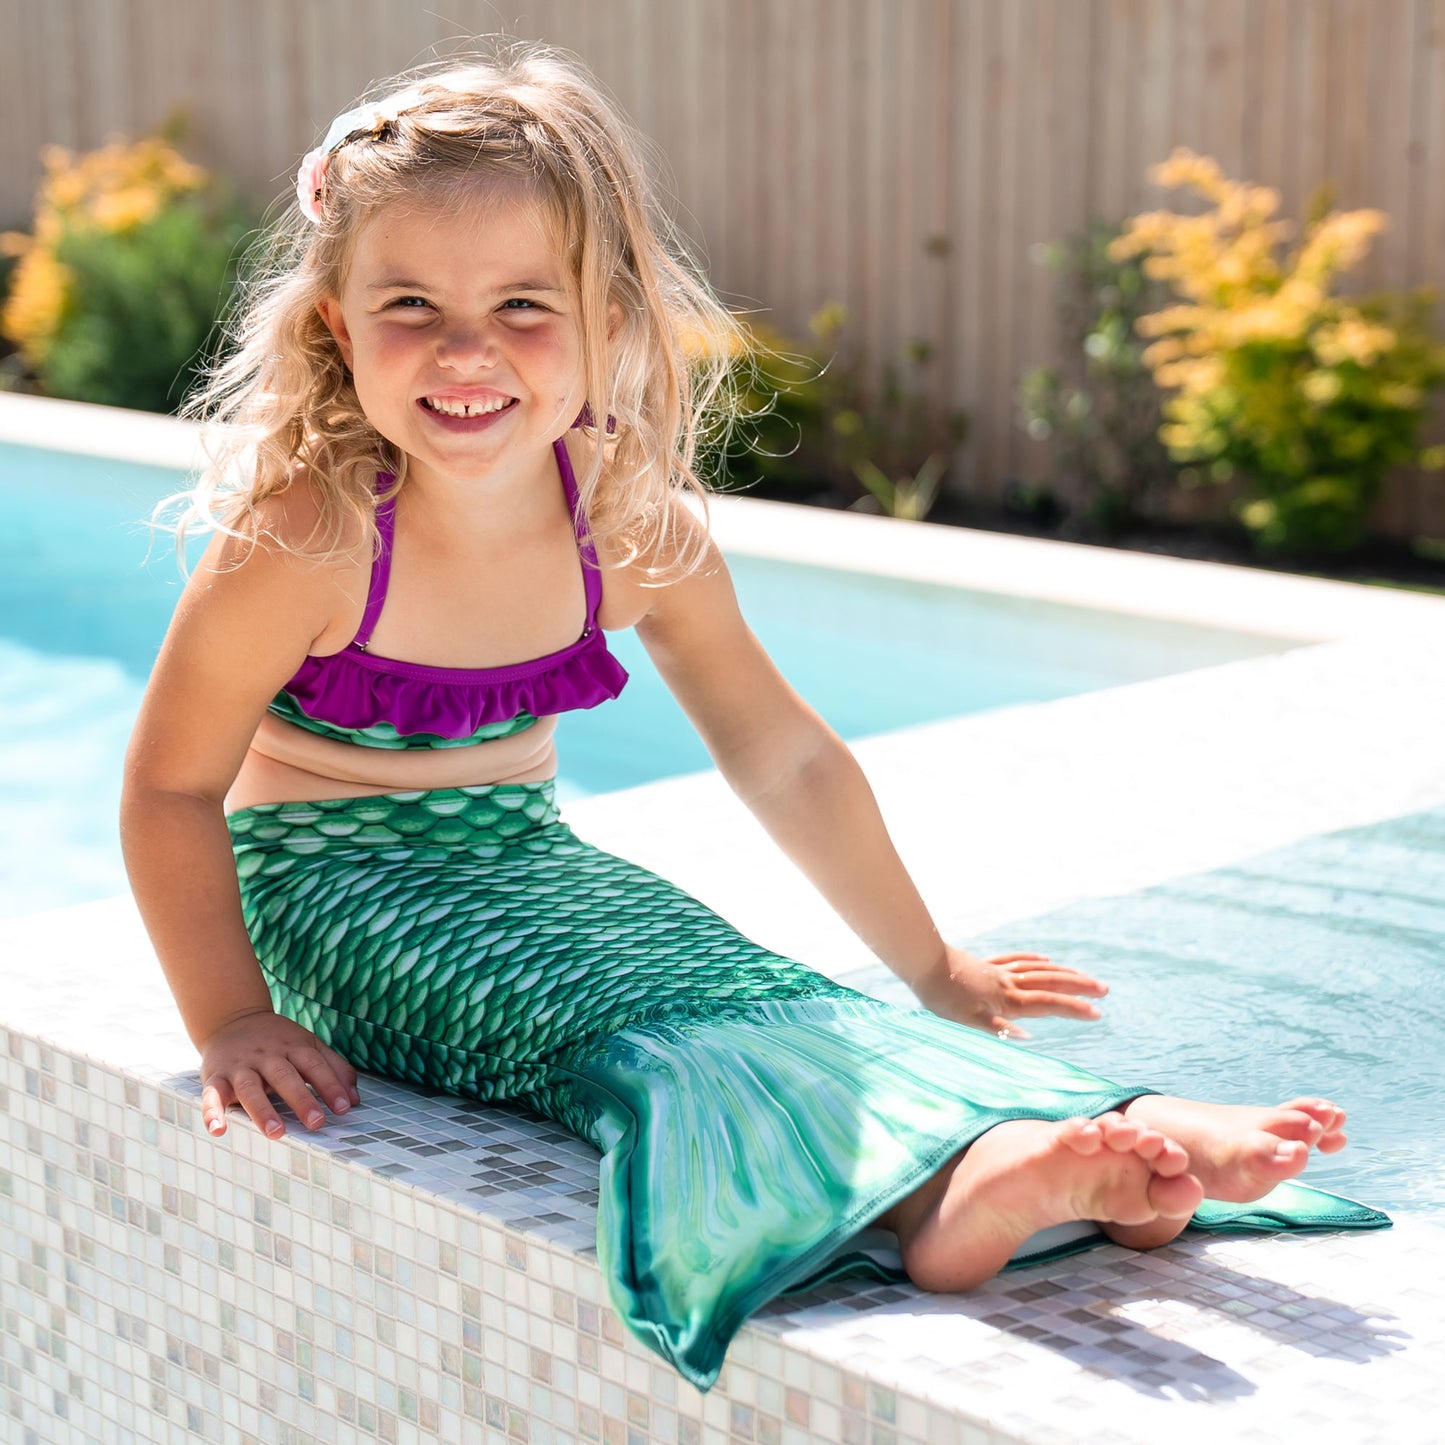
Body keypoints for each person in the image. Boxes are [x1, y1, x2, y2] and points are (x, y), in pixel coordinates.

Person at [120, 43, 1385, 1391]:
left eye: (524, 305)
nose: (465, 349)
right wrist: (230, 1020)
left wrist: (930, 964)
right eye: (410, 304)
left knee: (757, 987)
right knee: (635, 1018)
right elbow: (170, 789)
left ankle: (1090, 1129)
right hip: (334, 896)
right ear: (335, 323)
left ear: (609, 316)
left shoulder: (621, 523)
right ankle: (944, 1202)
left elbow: (779, 753)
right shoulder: (311, 534)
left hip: (530, 865)